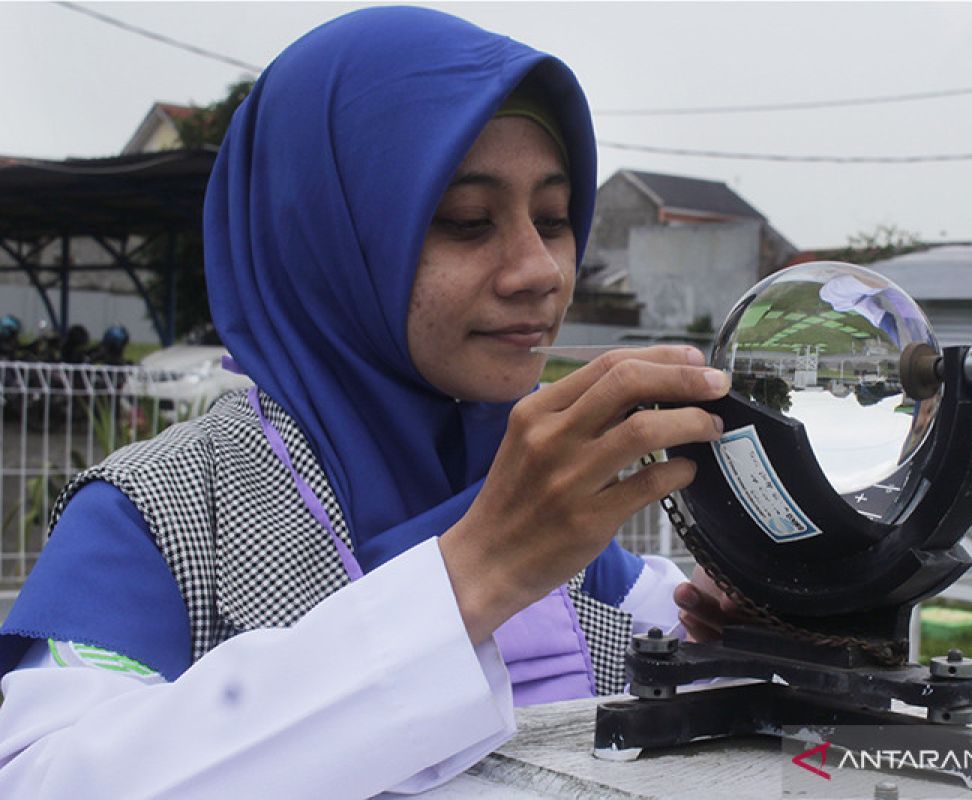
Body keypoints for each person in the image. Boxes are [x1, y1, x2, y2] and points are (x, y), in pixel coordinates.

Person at [0, 7, 738, 797]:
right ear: (324, 240)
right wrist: (471, 577)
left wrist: (772, 623)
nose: (540, 269)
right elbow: (48, 776)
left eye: (553, 219)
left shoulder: (549, 506)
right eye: (465, 221)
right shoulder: (162, 515)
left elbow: (669, 639)